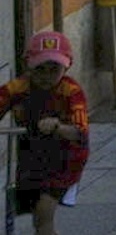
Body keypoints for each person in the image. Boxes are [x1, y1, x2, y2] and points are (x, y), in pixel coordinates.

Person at [0, 31, 89, 234]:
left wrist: (58, 126)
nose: (47, 76)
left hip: (65, 158)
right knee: (35, 215)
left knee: (43, 213)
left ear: (66, 66)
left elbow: (80, 132)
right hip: (31, 155)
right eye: (40, 70)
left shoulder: (71, 91)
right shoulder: (18, 88)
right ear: (28, 66)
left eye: (54, 70)